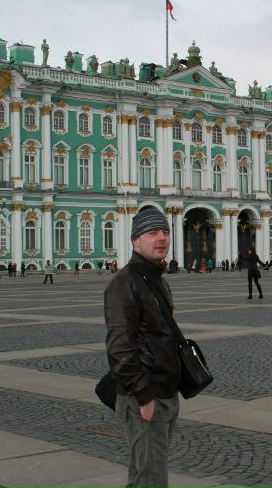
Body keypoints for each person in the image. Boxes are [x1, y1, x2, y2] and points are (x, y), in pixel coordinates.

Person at [104, 205, 180, 488]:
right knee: (151, 480)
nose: (161, 238)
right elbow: (119, 347)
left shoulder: (155, 279)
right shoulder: (125, 283)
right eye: (152, 233)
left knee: (143, 477)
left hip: (164, 392)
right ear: (136, 240)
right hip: (145, 395)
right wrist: (144, 396)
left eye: (164, 232)